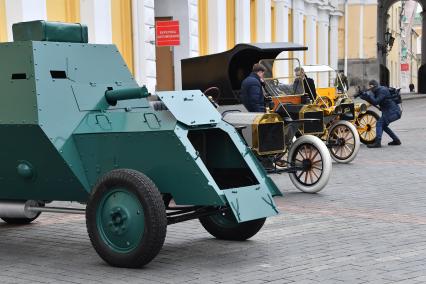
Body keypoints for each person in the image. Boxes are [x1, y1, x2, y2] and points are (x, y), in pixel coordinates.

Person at [359, 80, 402, 148]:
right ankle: (396, 140)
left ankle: (378, 142)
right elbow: (373, 101)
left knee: (379, 123)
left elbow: (376, 101)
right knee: (383, 126)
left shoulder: (382, 90)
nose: (370, 88)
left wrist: (369, 94)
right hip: (390, 112)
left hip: (394, 112)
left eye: (371, 86)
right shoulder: (377, 91)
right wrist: (364, 95)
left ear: (374, 85)